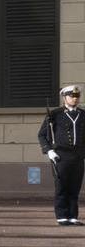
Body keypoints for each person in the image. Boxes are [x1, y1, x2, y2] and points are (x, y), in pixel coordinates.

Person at [38, 84, 83, 225]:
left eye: (77, 96)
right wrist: (49, 150)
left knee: (75, 187)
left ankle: (72, 216)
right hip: (61, 156)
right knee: (62, 186)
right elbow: (42, 135)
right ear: (64, 97)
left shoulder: (83, 115)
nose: (74, 99)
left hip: (78, 156)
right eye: (71, 96)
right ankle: (62, 216)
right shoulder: (55, 115)